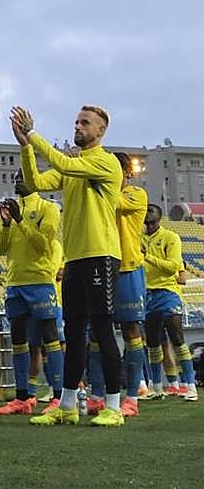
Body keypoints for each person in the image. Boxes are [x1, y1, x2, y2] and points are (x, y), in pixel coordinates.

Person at [13, 104, 126, 427]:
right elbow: (34, 181)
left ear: (100, 131)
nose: (78, 126)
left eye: (85, 123)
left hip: (101, 254)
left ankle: (114, 406)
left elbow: (60, 161)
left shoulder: (104, 163)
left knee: (102, 330)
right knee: (74, 332)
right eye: (76, 121)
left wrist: (33, 134)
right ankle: (66, 405)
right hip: (75, 258)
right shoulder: (73, 167)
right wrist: (24, 147)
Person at [0, 175, 64, 416]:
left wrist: (21, 220)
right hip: (15, 283)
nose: (18, 180)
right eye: (16, 177)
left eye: (23, 176)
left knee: (50, 339)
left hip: (40, 281)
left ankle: (58, 396)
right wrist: (5, 225)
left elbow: (43, 245)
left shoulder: (48, 208)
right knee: (19, 341)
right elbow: (0, 249)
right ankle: (23, 397)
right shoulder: (11, 209)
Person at [143, 204, 197, 401]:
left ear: (159, 218)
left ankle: (189, 385)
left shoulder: (170, 238)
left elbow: (174, 266)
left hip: (167, 292)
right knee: (153, 343)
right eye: (145, 213)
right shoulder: (137, 238)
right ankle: (156, 387)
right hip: (147, 294)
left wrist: (147, 257)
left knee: (177, 338)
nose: (147, 224)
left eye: (151, 213)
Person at [111, 152, 149, 417]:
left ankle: (133, 395)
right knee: (95, 332)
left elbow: (115, 203)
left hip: (128, 268)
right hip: (102, 266)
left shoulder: (136, 194)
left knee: (131, 330)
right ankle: (99, 393)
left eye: (115, 168)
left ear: (126, 172)